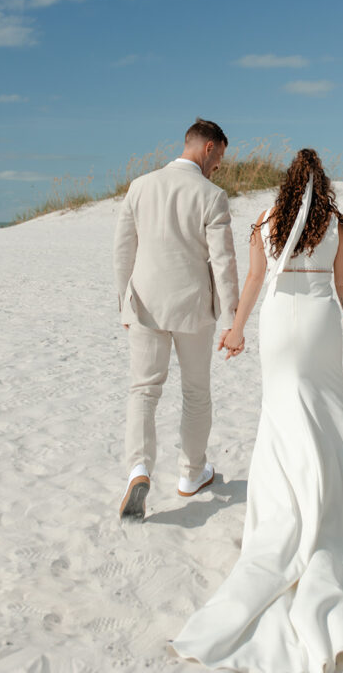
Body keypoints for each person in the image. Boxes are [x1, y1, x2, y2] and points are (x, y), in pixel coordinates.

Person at [172, 147, 343, 671]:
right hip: (320, 320)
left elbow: (254, 280)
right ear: (322, 186)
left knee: (282, 410)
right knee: (327, 406)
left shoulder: (265, 222)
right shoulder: (336, 228)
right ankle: (331, 490)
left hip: (278, 322)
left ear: (286, 185)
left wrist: (235, 330)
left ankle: (291, 499)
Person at [113, 118, 239, 520]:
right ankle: (190, 474)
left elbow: (122, 252)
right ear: (208, 148)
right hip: (193, 309)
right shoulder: (212, 195)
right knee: (196, 393)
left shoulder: (140, 186)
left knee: (144, 391)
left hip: (146, 304)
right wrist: (232, 319)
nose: (219, 165)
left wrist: (124, 304)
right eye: (219, 156)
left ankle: (138, 469)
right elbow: (223, 262)